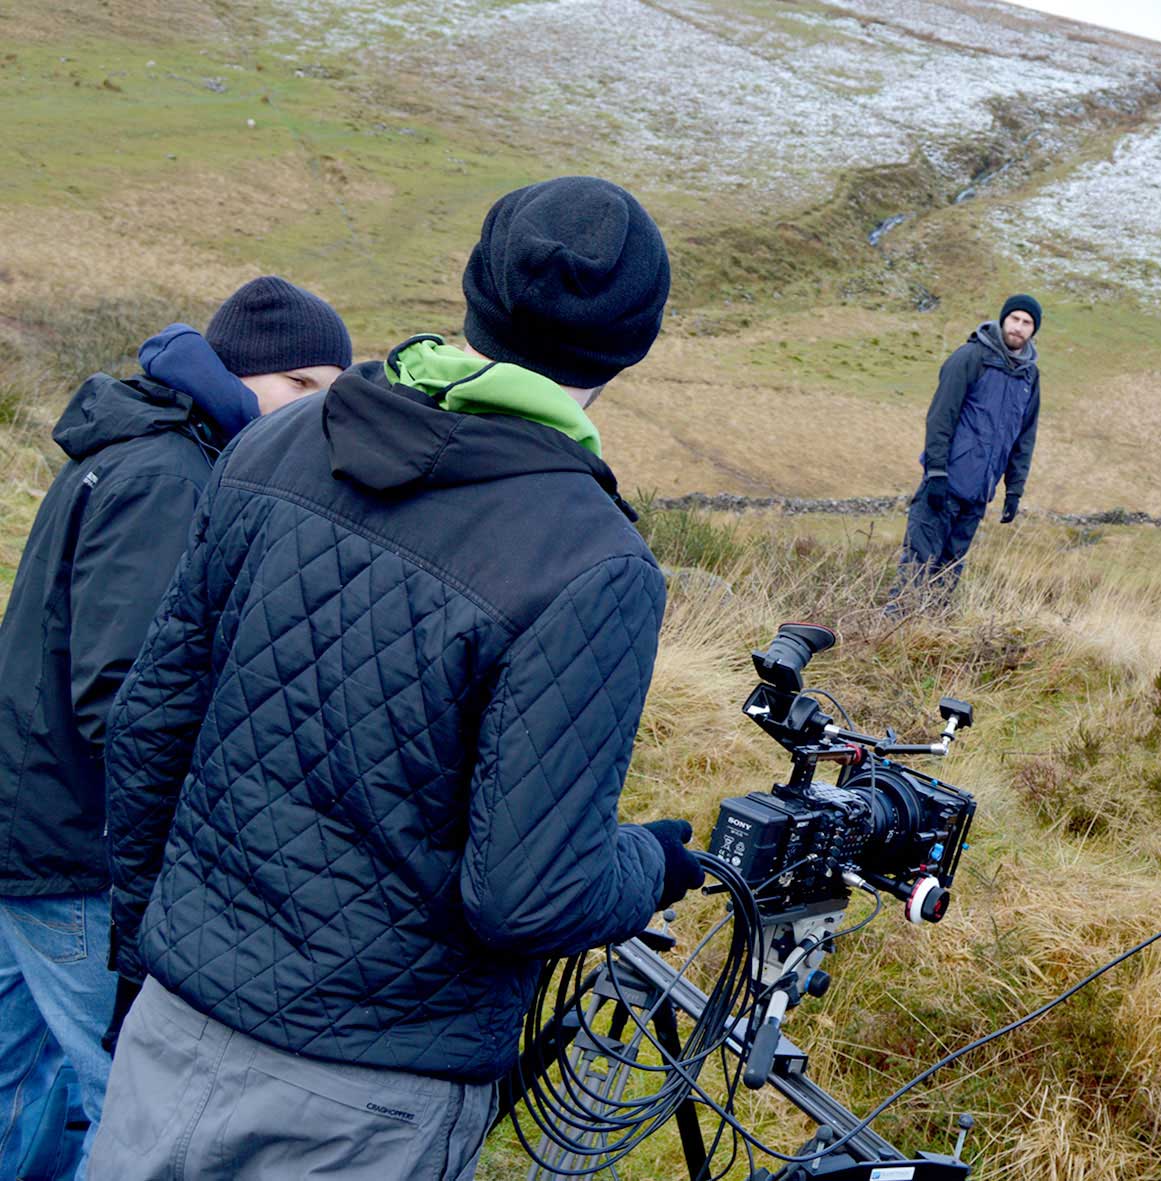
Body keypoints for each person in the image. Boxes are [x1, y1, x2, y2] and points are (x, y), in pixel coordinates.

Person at [93, 176, 704, 1181]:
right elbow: (527, 894)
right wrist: (650, 866)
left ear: (475, 290)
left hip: (177, 1020)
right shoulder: (593, 561)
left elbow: (151, 724)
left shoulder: (277, 440)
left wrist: (148, 954)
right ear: (632, 343)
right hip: (368, 1094)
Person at [0, 277, 350, 1180]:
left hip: (31, 825)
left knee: (20, 1083)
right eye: (304, 385)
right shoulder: (170, 475)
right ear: (247, 370)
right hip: (76, 853)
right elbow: (121, 698)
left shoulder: (143, 442)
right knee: (124, 1101)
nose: (316, 411)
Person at [895, 294, 1043, 601]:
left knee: (948, 577)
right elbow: (941, 417)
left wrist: (1014, 491)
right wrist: (936, 472)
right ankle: (893, 626)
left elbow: (1024, 437)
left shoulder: (1029, 376)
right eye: (1014, 319)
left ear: (1033, 330)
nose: (1018, 327)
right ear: (1003, 320)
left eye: (1026, 323)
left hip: (978, 495)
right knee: (916, 570)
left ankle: (932, 629)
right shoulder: (971, 358)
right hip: (945, 484)